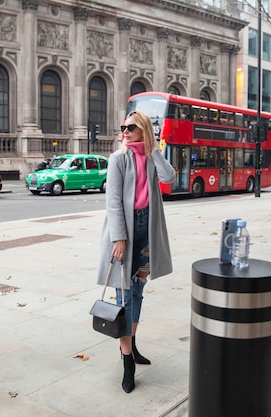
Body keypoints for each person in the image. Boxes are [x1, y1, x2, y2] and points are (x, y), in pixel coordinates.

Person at [96, 110, 175, 393]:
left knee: (138, 290)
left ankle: (132, 344)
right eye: (124, 127)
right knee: (124, 295)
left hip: (146, 228)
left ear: (144, 130)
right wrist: (118, 238)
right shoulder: (119, 158)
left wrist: (155, 151)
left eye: (131, 128)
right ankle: (127, 360)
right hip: (126, 231)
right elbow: (113, 201)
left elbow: (170, 177)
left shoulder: (151, 157)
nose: (125, 132)